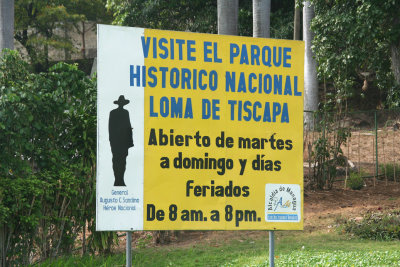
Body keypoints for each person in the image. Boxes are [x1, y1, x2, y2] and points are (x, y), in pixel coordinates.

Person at [108, 95, 134, 186]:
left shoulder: (124, 113)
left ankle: (120, 179)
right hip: (118, 141)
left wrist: (129, 141)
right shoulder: (114, 113)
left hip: (121, 141)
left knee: (120, 160)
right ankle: (117, 180)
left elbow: (128, 127)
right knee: (118, 160)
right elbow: (111, 128)